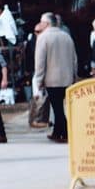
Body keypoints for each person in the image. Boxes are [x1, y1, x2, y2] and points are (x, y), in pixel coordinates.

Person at [33, 12, 77, 143]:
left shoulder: (43, 38)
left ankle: (65, 131)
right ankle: (57, 132)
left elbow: (40, 62)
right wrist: (74, 75)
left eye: (41, 22)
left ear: (46, 23)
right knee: (58, 106)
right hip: (67, 77)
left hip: (52, 78)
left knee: (57, 107)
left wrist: (39, 80)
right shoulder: (66, 36)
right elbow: (74, 58)